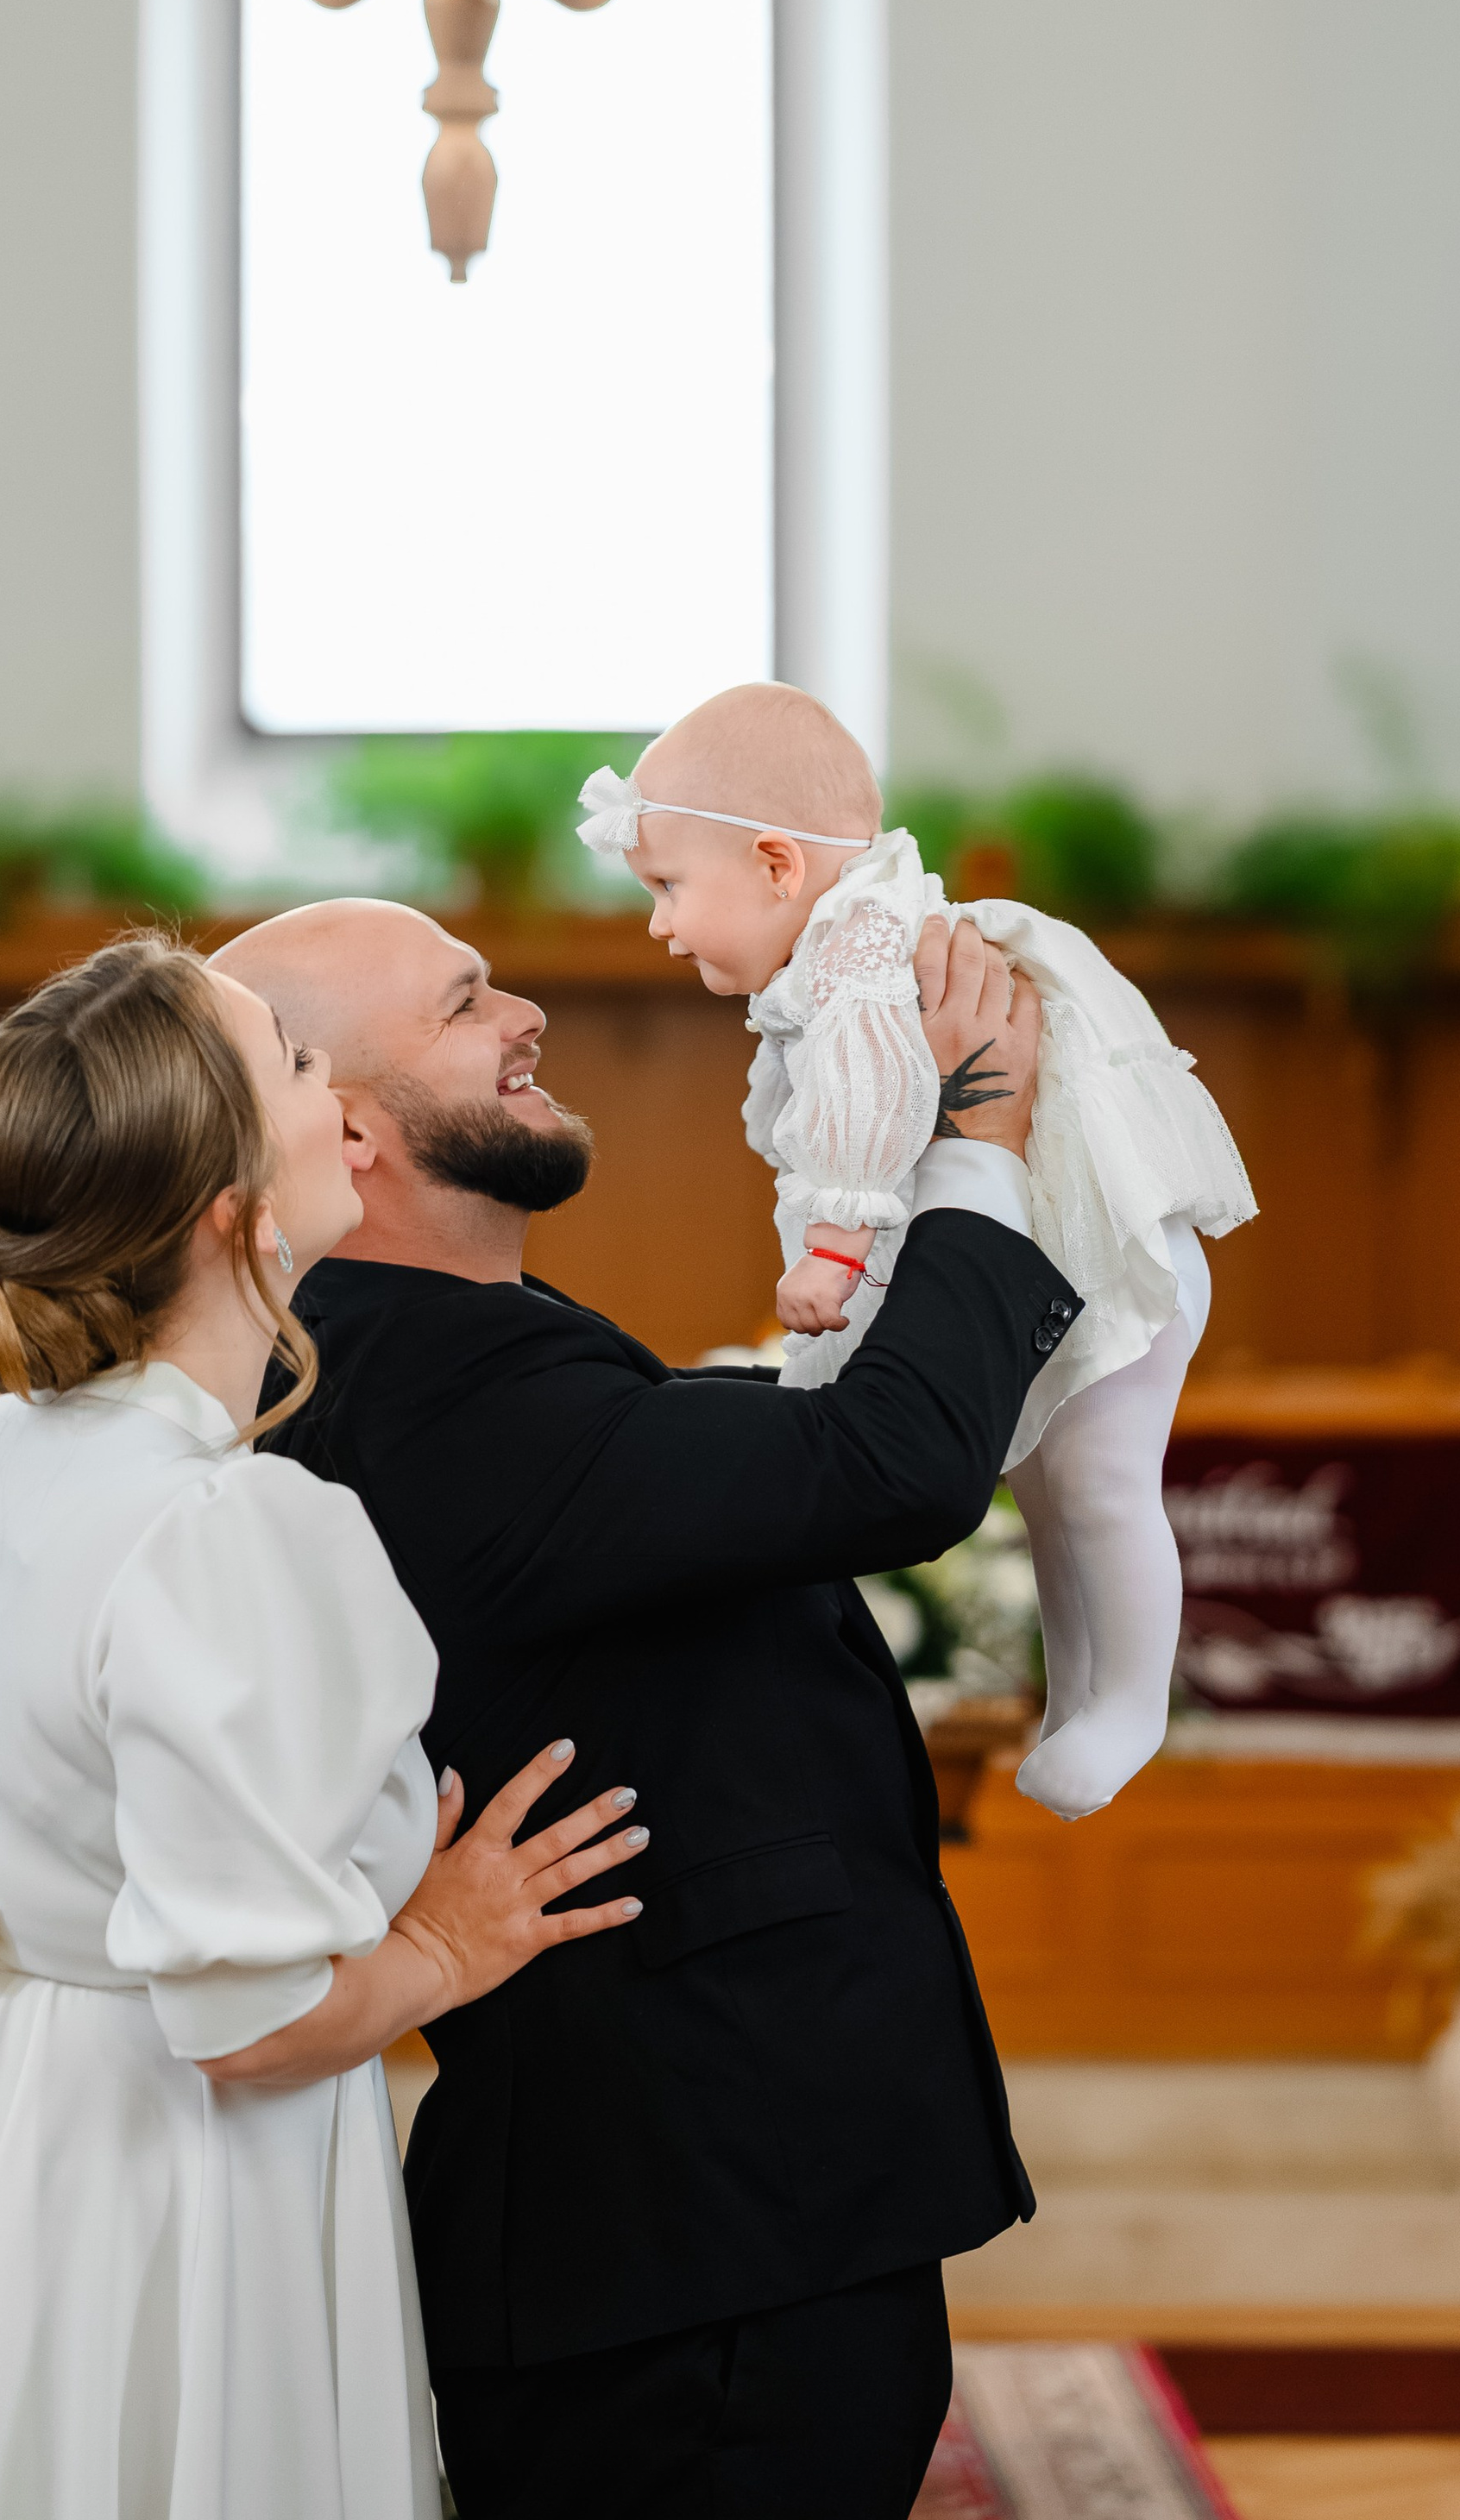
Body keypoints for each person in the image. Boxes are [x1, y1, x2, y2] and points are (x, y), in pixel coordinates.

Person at [0, 935, 650, 2520]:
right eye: (300, 1072)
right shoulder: (228, 1524)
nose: (343, 1108)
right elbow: (246, 2024)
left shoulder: (18, 1451)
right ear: (236, 1208)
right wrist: (440, 1943)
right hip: (160, 2188)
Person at [212, 896, 1078, 2520]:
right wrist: (979, 1131)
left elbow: (727, 1470)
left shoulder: (437, 1348)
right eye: (468, 1004)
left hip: (707, 2195)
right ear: (345, 1125)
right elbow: (884, 1472)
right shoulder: (428, 1384)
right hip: (690, 2220)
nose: (527, 1012)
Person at [578, 681, 1255, 1820]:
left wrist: (832, 1256)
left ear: (779, 867)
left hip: (1102, 1263)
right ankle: (1080, 1697)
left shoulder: (863, 963)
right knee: (1051, 1491)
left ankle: (1133, 1703)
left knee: (1098, 1484)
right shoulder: (860, 941)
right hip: (1048, 1272)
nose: (658, 923)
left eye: (668, 886)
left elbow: (879, 1105)